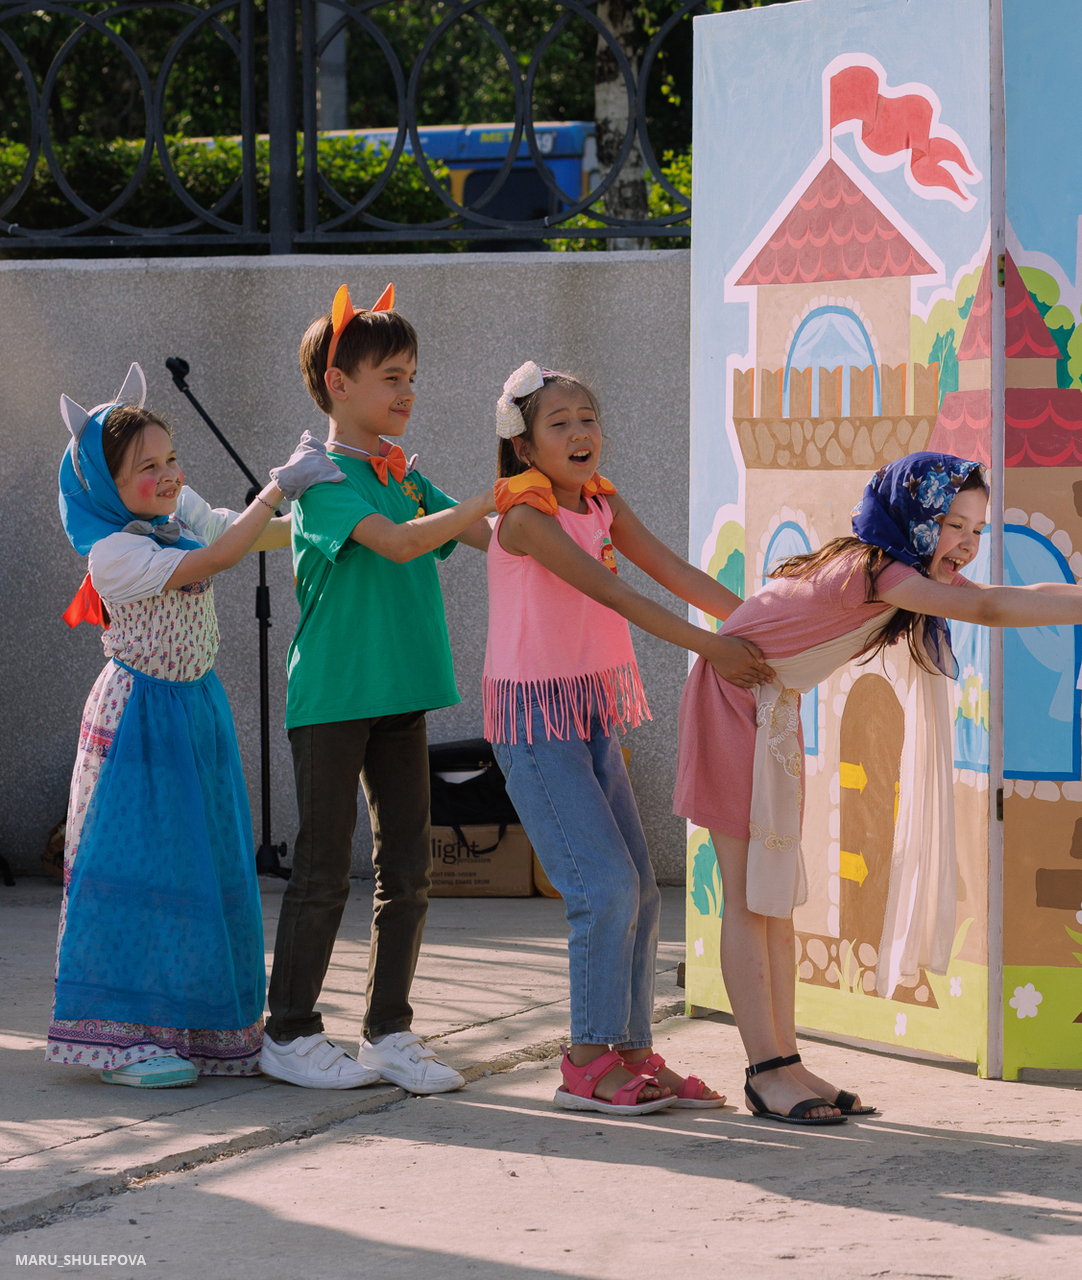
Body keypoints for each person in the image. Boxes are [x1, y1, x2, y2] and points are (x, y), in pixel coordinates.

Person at [675, 452, 1082, 1125]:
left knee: (775, 899)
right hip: (733, 703)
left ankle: (786, 1061)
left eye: (977, 529)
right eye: (953, 524)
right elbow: (987, 605)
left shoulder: (895, 573)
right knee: (748, 897)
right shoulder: (883, 572)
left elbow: (998, 592)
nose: (966, 542)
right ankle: (765, 1071)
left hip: (769, 706)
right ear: (913, 516)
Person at [484, 361, 773, 1115]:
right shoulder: (524, 518)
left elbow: (671, 569)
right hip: (534, 723)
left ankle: (633, 1052)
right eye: (560, 423)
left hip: (586, 713)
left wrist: (763, 626)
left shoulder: (601, 501)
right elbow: (613, 590)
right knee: (603, 887)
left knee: (641, 889)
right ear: (523, 446)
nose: (581, 432)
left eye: (588, 417)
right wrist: (714, 649)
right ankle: (586, 1063)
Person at [49, 363, 342, 1087]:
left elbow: (244, 534)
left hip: (195, 709)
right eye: (146, 467)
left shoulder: (176, 511)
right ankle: (124, 1043)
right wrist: (280, 484)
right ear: (103, 485)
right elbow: (220, 554)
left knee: (200, 868)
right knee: (137, 871)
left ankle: (197, 1030)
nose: (168, 475)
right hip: (140, 720)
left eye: (171, 458)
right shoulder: (113, 554)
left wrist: (334, 517)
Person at [263, 284, 497, 1094]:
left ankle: (388, 1033)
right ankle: (288, 1033)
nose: (408, 392)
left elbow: (483, 533)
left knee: (410, 870)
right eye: (391, 377)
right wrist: (486, 499)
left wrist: (535, 495)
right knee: (323, 870)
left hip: (401, 693)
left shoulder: (402, 471)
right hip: (334, 698)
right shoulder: (319, 478)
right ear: (338, 384)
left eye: (412, 377)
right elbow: (399, 544)